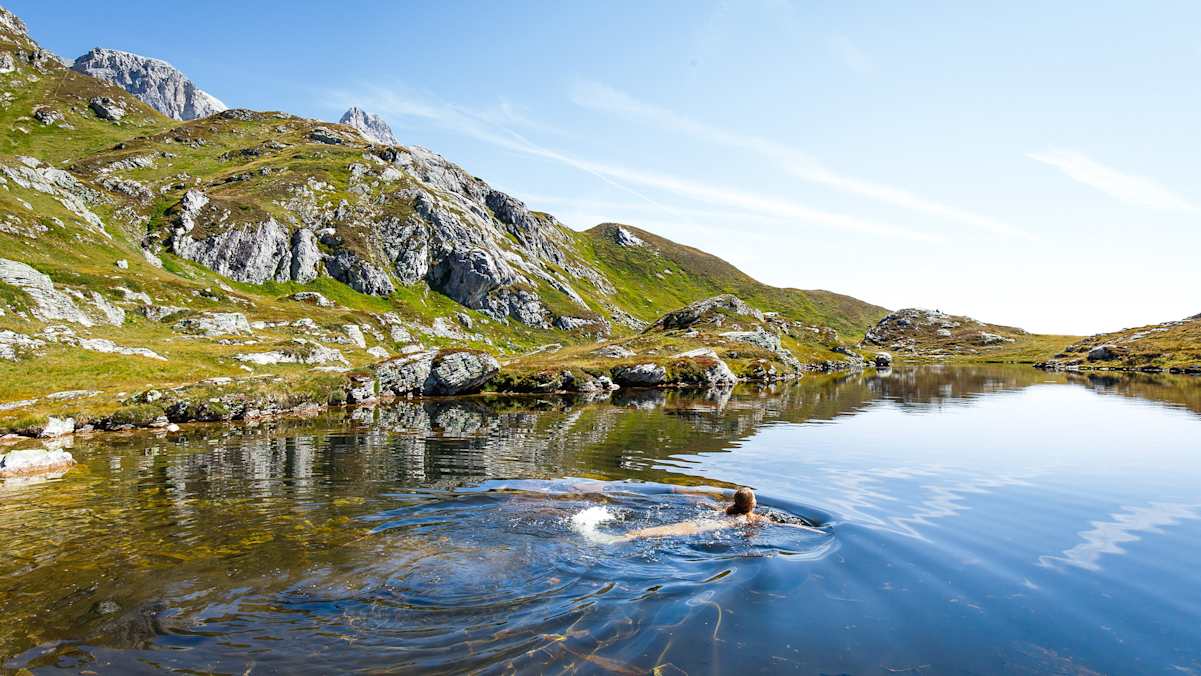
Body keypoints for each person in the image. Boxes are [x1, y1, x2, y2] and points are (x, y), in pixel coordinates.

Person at [615, 487, 821, 541]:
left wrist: (689, 495)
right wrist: (816, 530)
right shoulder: (752, 518)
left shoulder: (726, 510)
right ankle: (629, 536)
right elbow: (782, 526)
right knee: (673, 532)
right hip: (715, 528)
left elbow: (708, 505)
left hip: (707, 521)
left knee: (670, 529)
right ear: (752, 504)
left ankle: (630, 535)